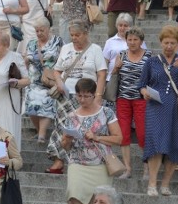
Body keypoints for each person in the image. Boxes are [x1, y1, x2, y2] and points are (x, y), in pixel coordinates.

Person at [61, 78, 122, 204]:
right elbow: (65, 147)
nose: (82, 99)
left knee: (96, 200)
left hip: (100, 163)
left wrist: (97, 137)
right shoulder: (72, 116)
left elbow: (118, 138)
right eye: (79, 96)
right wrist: (66, 140)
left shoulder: (106, 112)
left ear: (94, 95)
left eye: (86, 96)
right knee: (73, 193)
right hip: (77, 161)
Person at [139, 25, 178, 196]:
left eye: (172, 43)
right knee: (156, 144)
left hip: (176, 109)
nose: (169, 46)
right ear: (161, 42)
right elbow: (141, 84)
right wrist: (145, 92)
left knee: (175, 144)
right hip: (156, 107)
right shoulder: (152, 61)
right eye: (166, 42)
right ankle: (152, 183)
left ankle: (165, 184)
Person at [46, 20, 107, 174]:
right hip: (65, 94)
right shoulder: (66, 48)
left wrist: (98, 96)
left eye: (77, 35)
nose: (74, 38)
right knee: (62, 126)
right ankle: (58, 160)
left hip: (86, 95)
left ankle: (79, 160)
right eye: (72, 35)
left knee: (81, 128)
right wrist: (59, 82)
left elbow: (101, 74)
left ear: (86, 34)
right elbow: (57, 70)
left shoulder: (95, 49)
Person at [111, 26, 152, 180]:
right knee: (124, 134)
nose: (132, 42)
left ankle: (147, 169)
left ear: (141, 41)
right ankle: (127, 169)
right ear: (126, 40)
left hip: (141, 99)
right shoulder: (121, 55)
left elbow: (153, 78)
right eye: (129, 39)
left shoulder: (149, 56)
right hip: (123, 98)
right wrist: (116, 68)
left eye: (135, 40)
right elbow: (114, 75)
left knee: (142, 134)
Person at [24, 22, 64, 143]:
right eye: (37, 31)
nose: (39, 33)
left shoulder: (57, 41)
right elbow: (26, 60)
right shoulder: (31, 43)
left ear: (48, 29)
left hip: (50, 81)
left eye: (42, 30)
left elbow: (64, 57)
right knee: (31, 106)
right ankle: (39, 131)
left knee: (46, 102)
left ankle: (41, 135)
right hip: (33, 80)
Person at [103, 14, 144, 86]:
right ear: (116, 26)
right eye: (120, 25)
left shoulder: (138, 41)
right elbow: (104, 62)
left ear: (130, 26)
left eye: (125, 26)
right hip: (113, 78)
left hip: (133, 79)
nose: (122, 28)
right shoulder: (110, 42)